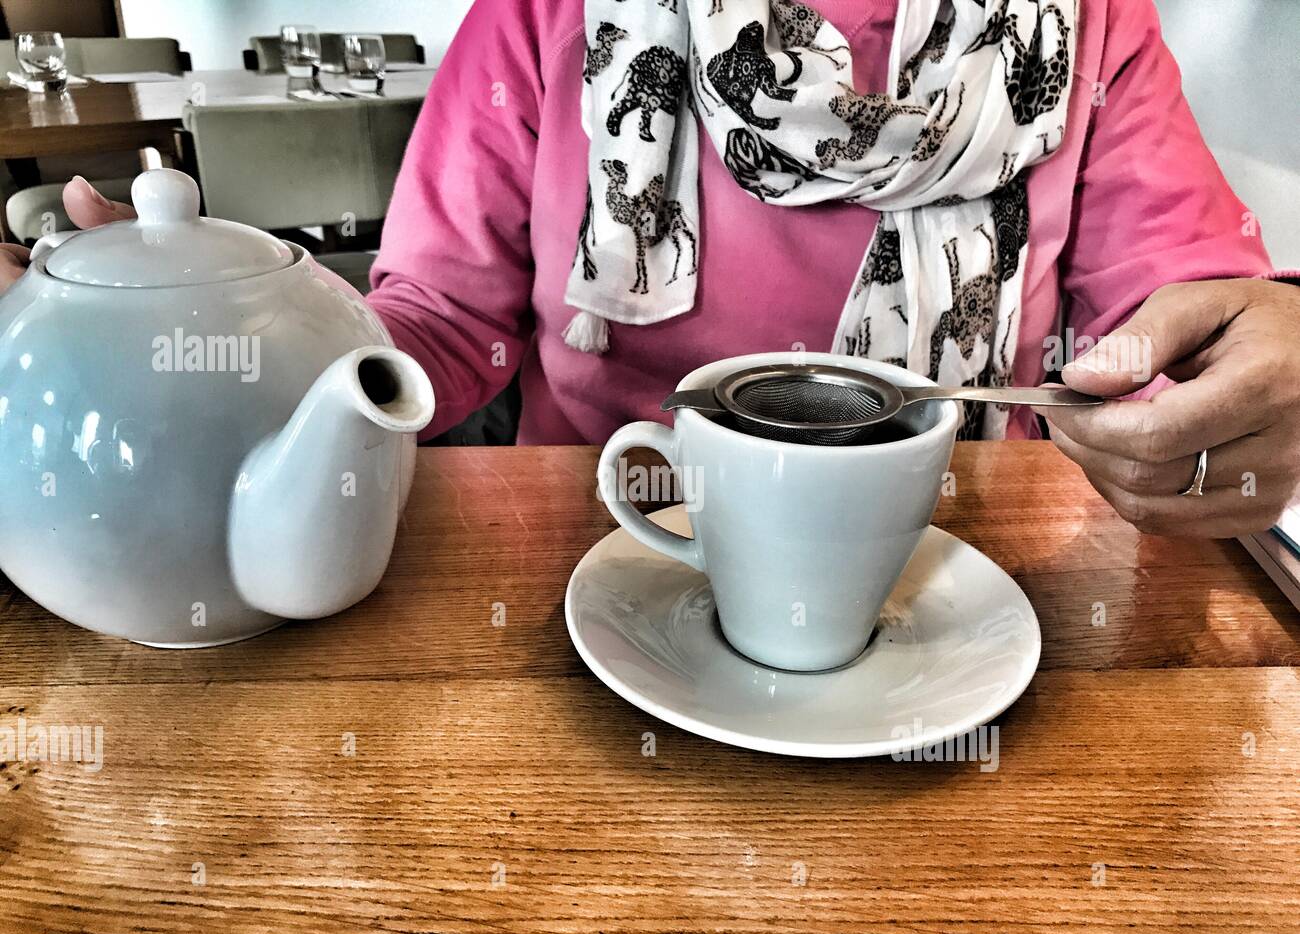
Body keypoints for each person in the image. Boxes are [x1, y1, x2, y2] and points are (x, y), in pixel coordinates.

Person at [2, 0, 1297, 538]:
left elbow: (1187, 322)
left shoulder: (1087, 30)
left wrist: (1250, 379)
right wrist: (236, 329)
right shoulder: (546, 14)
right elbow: (438, 320)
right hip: (595, 570)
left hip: (963, 578)